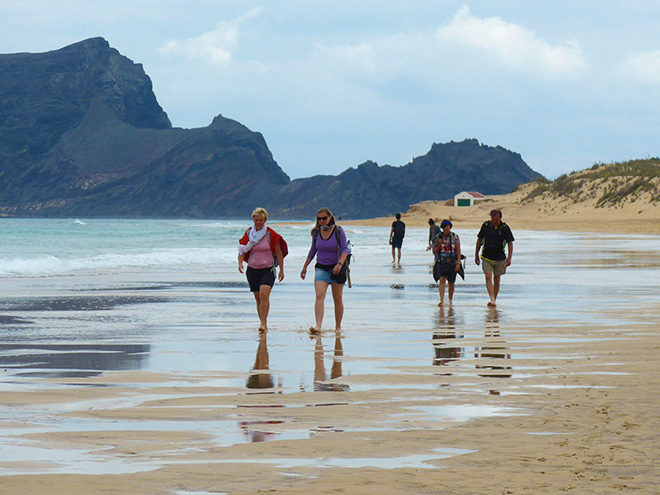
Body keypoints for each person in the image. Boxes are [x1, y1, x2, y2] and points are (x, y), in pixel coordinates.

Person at [300, 208, 350, 333]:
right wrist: (305, 266)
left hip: (337, 268)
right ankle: (318, 326)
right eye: (319, 219)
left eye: (324, 218)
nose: (321, 221)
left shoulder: (338, 231)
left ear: (329, 218)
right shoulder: (316, 233)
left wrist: (339, 264)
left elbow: (345, 249)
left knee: (337, 298)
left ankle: (338, 327)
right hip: (321, 267)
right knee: (319, 295)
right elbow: (313, 250)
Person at [238, 207, 285, 332]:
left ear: (265, 220)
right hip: (252, 270)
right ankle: (262, 322)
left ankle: (263, 324)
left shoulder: (270, 234)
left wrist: (282, 270)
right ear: (253, 220)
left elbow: (279, 253)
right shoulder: (249, 233)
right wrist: (240, 263)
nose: (258, 222)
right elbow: (242, 249)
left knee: (264, 295)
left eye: (261, 220)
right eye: (256, 220)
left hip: (268, 270)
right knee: (258, 298)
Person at [474, 209, 514, 307]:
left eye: (496, 219)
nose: (494, 221)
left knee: (496, 279)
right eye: (492, 219)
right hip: (486, 257)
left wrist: (509, 258)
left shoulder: (505, 228)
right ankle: (491, 298)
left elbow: (510, 243)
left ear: (500, 218)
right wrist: (476, 254)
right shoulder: (486, 226)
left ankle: (494, 300)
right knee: (488, 277)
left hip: (500, 258)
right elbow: (479, 240)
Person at [432, 219, 462, 306]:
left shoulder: (455, 237)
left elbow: (458, 251)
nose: (446, 231)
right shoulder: (438, 237)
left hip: (452, 262)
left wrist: (458, 262)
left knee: (451, 283)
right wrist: (439, 244)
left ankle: (450, 300)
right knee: (442, 280)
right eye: (445, 229)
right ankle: (441, 300)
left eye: (448, 229)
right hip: (441, 262)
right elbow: (435, 251)